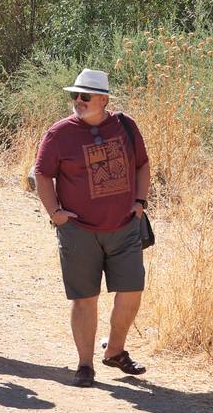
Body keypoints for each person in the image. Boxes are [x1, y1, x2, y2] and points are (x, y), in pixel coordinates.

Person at [34, 69, 151, 388]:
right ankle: (85, 365)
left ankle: (115, 351)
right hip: (78, 231)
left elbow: (142, 164)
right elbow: (42, 174)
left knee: (131, 292)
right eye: (75, 95)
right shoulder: (59, 133)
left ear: (103, 99)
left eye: (85, 96)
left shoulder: (125, 126)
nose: (78, 101)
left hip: (125, 227)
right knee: (85, 298)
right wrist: (55, 212)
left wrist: (140, 201)